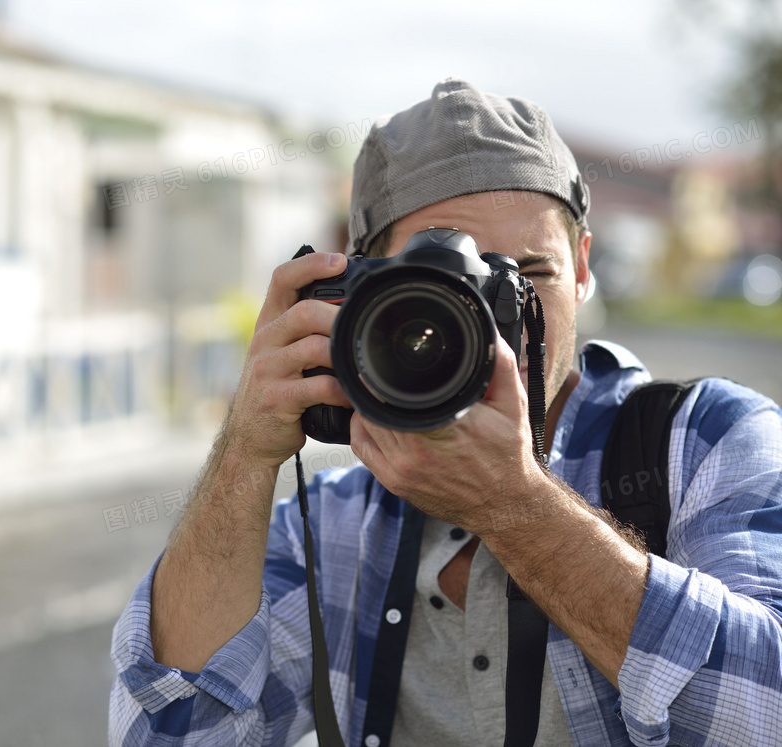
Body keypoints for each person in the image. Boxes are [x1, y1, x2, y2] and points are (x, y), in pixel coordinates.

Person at [107, 78, 782, 746]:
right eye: (448, 287)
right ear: (355, 290)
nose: (497, 329)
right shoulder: (340, 524)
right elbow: (172, 732)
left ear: (582, 268)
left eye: (528, 277)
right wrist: (244, 453)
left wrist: (515, 507)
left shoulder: (706, 443)